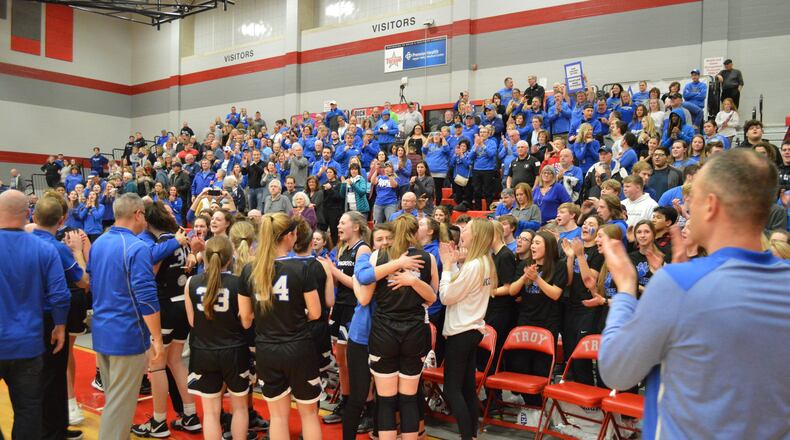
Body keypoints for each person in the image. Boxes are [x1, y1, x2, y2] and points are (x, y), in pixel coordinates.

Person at [599, 149, 790, 439]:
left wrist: (626, 289)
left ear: (711, 205)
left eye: (693, 199)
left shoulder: (679, 284)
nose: (688, 208)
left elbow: (616, 371)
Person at [87, 193, 164, 440]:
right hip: (126, 334)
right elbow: (146, 297)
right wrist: (157, 339)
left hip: (102, 331)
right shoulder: (136, 247)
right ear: (138, 214)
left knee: (115, 401)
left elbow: (91, 280)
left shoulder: (98, 243)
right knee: (120, 407)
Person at [240, 213, 322, 440]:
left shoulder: (249, 270)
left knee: (277, 417)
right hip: (298, 348)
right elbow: (315, 313)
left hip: (267, 349)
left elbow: (245, 318)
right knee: (308, 415)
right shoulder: (302, 268)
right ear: (289, 236)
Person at [355, 215, 438, 440]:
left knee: (387, 400)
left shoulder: (378, 256)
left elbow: (365, 292)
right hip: (415, 331)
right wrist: (413, 281)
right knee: (409, 398)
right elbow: (432, 299)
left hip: (384, 331)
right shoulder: (428, 257)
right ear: (415, 233)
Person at [0, 192, 71, 440]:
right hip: (28, 345)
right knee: (29, 410)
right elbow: (61, 294)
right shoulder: (45, 249)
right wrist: (60, 326)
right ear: (27, 213)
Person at [131, 201, 200, 437]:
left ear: (148, 221)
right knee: (176, 361)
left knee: (157, 365)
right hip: (182, 304)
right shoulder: (178, 238)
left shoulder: (163, 242)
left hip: (166, 307)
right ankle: (190, 414)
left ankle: (159, 421)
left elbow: (149, 270)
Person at [184, 235, 253, 440]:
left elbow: (193, 323)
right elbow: (246, 321)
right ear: (230, 258)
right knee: (239, 408)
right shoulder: (239, 282)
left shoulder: (191, 282)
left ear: (204, 257)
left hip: (203, 351)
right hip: (234, 351)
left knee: (211, 413)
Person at [438, 219, 495, 440]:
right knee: (467, 389)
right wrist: (456, 265)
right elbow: (461, 289)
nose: (462, 232)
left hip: (461, 332)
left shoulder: (474, 265)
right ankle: (471, 435)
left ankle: (466, 436)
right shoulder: (483, 262)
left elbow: (446, 296)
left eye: (467, 229)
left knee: (452, 390)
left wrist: (446, 266)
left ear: (477, 235)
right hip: (472, 330)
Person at [321, 212, 371, 425]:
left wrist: (332, 270)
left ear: (357, 227)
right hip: (341, 306)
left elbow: (358, 283)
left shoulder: (363, 249)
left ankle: (365, 406)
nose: (338, 226)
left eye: (343, 222)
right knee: (341, 360)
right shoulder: (343, 249)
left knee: (355, 361)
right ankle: (347, 401)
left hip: (355, 308)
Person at [559, 215, 604, 385]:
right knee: (570, 350)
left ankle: (588, 393)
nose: (585, 226)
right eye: (584, 223)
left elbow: (589, 282)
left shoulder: (598, 253)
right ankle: (578, 392)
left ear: (599, 230)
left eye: (591, 224)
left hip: (589, 307)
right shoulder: (577, 249)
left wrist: (579, 256)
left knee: (581, 351)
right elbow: (569, 281)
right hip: (572, 305)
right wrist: (571, 257)